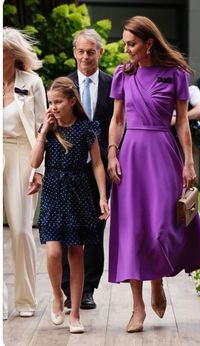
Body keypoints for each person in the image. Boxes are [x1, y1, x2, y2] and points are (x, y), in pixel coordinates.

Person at [107, 16, 200, 333]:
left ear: (149, 43)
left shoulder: (175, 74)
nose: (127, 49)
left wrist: (189, 162)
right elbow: (117, 119)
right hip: (130, 156)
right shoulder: (122, 74)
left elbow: (182, 122)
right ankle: (137, 307)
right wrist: (112, 151)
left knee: (161, 228)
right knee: (133, 231)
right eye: (125, 43)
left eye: (132, 43)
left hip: (163, 154)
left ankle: (157, 282)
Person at [30, 76, 110, 333]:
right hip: (53, 191)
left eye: (58, 102)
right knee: (54, 252)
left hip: (79, 193)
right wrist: (43, 131)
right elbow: (34, 161)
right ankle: (56, 296)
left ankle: (75, 313)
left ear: (72, 101)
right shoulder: (49, 129)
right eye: (50, 102)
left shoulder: (88, 128)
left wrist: (102, 196)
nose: (52, 106)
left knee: (76, 254)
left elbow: (97, 163)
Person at [61, 28, 114, 310]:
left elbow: (120, 125)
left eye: (90, 51)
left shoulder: (113, 84)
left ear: (100, 53)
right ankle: (69, 288)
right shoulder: (64, 85)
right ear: (74, 53)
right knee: (68, 228)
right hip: (68, 171)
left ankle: (88, 289)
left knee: (95, 229)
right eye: (80, 51)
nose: (85, 56)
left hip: (101, 169)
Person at [3, 27, 47, 318]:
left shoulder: (32, 82)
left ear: (11, 53)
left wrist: (39, 169)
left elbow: (43, 128)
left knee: (20, 231)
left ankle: (25, 300)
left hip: (22, 155)